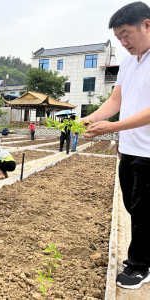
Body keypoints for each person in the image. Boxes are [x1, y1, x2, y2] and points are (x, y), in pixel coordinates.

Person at [81, 2, 150, 290]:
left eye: (126, 35)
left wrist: (112, 127)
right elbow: (116, 101)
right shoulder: (128, 63)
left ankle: (139, 266)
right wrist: (92, 118)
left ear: (147, 25)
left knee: (144, 210)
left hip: (148, 152)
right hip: (130, 148)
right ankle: (143, 254)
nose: (123, 43)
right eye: (119, 38)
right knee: (133, 206)